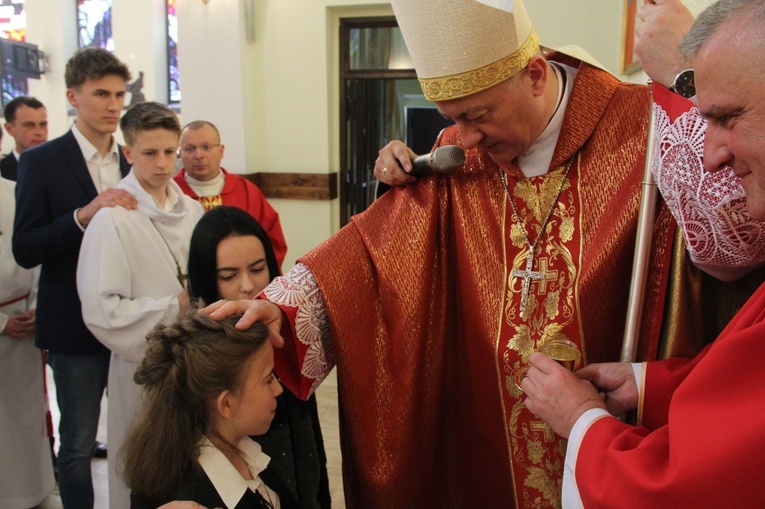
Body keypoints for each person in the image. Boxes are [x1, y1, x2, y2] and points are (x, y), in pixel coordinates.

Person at [204, 0, 703, 506]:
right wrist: (285, 305)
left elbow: (721, 248)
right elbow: (375, 252)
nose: (464, 139)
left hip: (609, 437)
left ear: (533, 75)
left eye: (476, 115)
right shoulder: (459, 153)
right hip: (483, 433)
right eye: (451, 119)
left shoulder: (646, 125)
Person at [522, 1, 765, 506]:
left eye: (726, 117)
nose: (713, 156)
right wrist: (649, 384)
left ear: (536, 76)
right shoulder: (454, 159)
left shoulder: (623, 126)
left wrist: (582, 420)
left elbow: (688, 485)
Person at [13, 46, 135, 509]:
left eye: (119, 95)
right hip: (73, 323)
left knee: (135, 434)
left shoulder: (131, 158)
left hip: (129, 322)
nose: (112, 105)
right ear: (72, 95)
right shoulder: (41, 161)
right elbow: (25, 247)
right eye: (101, 93)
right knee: (80, 442)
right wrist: (83, 215)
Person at [76, 101, 204, 509]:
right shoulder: (112, 218)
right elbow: (102, 311)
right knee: (147, 472)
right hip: (143, 371)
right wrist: (175, 308)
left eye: (171, 152)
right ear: (128, 153)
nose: (164, 163)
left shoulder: (194, 210)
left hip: (196, 362)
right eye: (150, 153)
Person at [187, 206, 330, 509]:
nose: (248, 286)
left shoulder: (285, 334)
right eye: (229, 275)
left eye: (257, 269)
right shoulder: (200, 366)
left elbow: (310, 451)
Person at [123, 311, 301, 509]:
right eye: (268, 379)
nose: (278, 389)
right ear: (226, 404)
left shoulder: (244, 450)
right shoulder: (194, 497)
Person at [0, 175, 55, 508]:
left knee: (24, 418)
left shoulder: (15, 189)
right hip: (7, 320)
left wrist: (37, 304)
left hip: (24, 319)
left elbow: (32, 249)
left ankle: (29, 493)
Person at [174, 120, 288, 268]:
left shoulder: (247, 191)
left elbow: (272, 241)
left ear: (221, 151)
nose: (198, 155)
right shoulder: (171, 194)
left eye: (206, 147)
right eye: (190, 149)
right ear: (180, 153)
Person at [1, 96, 48, 181]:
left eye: (43, 124)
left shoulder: (61, 166)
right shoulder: (2, 171)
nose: (39, 132)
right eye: (29, 125)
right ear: (10, 129)